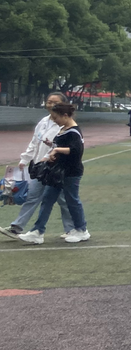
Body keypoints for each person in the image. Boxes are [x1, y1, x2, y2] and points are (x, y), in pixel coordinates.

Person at [14, 100, 90, 244]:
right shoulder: (64, 129)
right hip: (57, 172)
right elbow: (61, 145)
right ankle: (38, 231)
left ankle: (82, 230)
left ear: (65, 115)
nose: (54, 121)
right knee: (47, 199)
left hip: (71, 172)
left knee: (72, 201)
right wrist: (51, 148)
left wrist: (56, 150)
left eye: (56, 117)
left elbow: (76, 150)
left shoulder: (74, 131)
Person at [3, 93, 74, 240]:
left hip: (55, 168)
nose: (50, 105)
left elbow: (61, 146)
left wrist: (48, 158)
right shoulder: (43, 122)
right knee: (33, 196)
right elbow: (35, 142)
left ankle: (74, 228)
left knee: (63, 200)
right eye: (48, 101)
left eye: (55, 102)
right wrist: (25, 159)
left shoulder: (64, 125)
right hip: (40, 168)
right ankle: (16, 227)